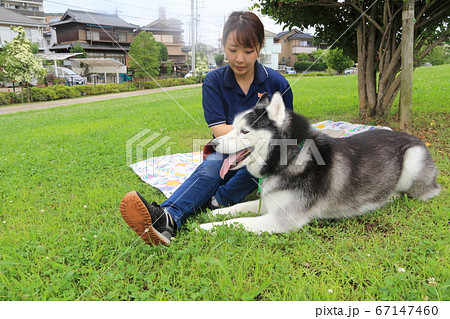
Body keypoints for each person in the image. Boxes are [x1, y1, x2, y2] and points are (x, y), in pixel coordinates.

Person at [120, 11, 293, 245]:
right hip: (225, 149)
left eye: (248, 51)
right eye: (233, 50)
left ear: (260, 48)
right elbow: (220, 130)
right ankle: (167, 218)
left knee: (261, 163)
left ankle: (217, 200)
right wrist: (259, 131)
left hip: (266, 153)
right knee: (209, 170)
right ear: (223, 46)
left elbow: (283, 132)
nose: (240, 59)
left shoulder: (277, 83)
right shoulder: (214, 81)